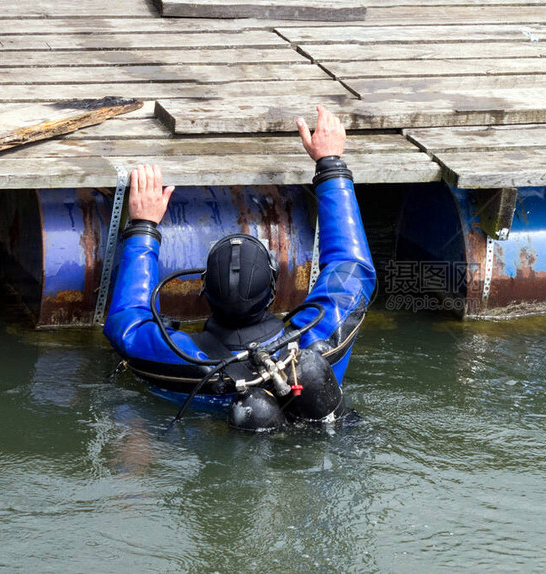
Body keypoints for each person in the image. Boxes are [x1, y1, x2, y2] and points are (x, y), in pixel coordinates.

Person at [104, 106, 376, 431]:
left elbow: (128, 320)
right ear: (273, 289)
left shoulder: (178, 356)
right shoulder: (317, 336)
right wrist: (330, 164)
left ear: (203, 289)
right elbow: (352, 267)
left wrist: (143, 226)